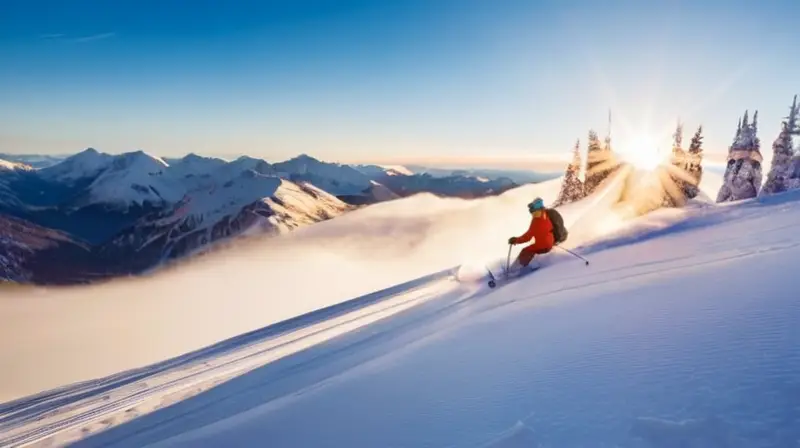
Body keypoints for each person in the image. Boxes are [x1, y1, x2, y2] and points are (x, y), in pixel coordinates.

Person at [507, 197, 555, 273]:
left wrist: (516, 240)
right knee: (529, 249)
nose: (531, 212)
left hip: (543, 246)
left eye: (532, 210)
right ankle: (519, 267)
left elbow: (527, 237)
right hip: (548, 242)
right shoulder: (544, 215)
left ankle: (514, 271)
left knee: (526, 251)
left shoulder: (538, 222)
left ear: (537, 209)